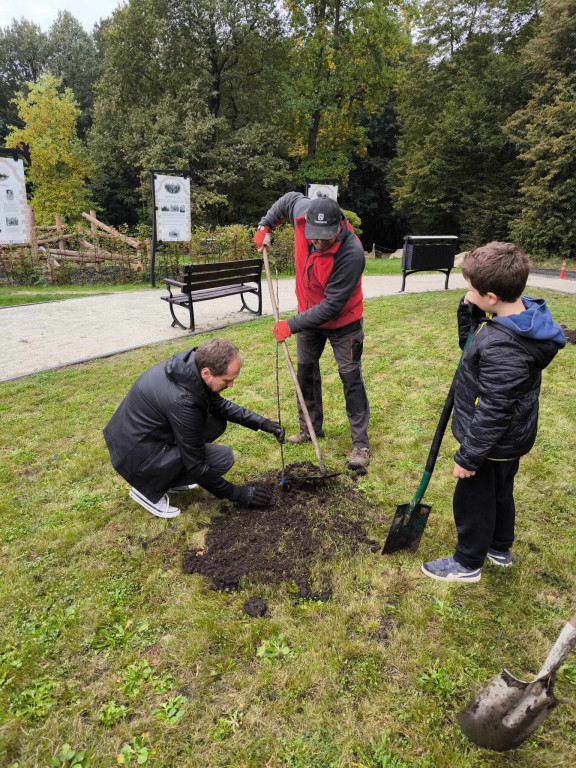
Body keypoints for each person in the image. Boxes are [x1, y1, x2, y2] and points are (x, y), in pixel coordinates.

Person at [422, 242, 565, 583]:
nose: (467, 294)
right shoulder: (518, 317)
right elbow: (471, 345)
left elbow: (494, 409)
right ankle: (499, 547)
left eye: (470, 290)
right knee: (501, 492)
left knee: (474, 499)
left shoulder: (505, 347)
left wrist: (469, 456)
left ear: (490, 297)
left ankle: (467, 562)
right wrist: (467, 311)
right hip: (508, 440)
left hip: (490, 441)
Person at [103, 338, 285, 518]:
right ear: (206, 373)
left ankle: (169, 478)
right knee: (222, 459)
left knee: (215, 424)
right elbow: (197, 466)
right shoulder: (184, 403)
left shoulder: (188, 369)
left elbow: (217, 405)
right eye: (227, 380)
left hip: (134, 439)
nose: (231, 385)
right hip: (137, 457)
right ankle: (147, 489)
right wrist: (239, 494)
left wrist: (262, 423)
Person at [254, 193, 370, 471]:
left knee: (350, 378)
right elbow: (285, 201)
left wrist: (290, 325)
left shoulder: (351, 253)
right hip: (309, 319)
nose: (316, 243)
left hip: (343, 322)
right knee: (305, 373)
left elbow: (331, 306)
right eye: (312, 236)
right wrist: (264, 227)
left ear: (338, 226)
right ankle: (309, 429)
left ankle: (360, 446)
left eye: (323, 238)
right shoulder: (302, 211)